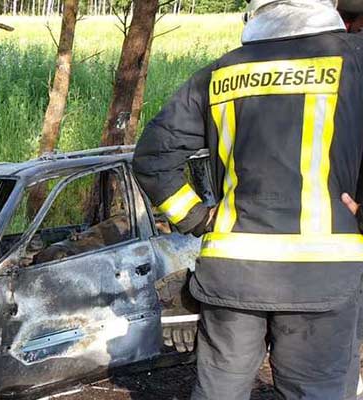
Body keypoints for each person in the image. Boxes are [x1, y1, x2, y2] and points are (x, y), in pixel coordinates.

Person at [132, 0, 363, 398]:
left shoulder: (221, 71)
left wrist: (198, 219)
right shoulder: (354, 62)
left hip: (233, 273)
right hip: (322, 276)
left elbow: (153, 158)